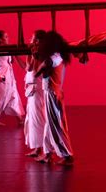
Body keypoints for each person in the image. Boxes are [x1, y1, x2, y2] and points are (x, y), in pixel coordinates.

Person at [34, 30, 74, 165]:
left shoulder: (54, 57)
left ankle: (67, 155)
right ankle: (48, 153)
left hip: (52, 93)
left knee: (56, 125)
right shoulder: (56, 56)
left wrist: (38, 60)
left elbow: (40, 70)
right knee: (49, 125)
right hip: (51, 92)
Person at [0, 30, 25, 126]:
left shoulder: (8, 49)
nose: (8, 38)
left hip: (10, 79)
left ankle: (20, 120)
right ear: (0, 39)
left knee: (14, 98)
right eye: (6, 37)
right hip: (0, 80)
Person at [22, 30, 47, 157]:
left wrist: (32, 54)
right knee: (31, 120)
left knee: (39, 119)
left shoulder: (41, 54)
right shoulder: (35, 53)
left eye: (32, 38)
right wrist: (28, 54)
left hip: (37, 89)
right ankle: (37, 148)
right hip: (32, 90)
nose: (30, 40)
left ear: (37, 40)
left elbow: (34, 69)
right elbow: (28, 67)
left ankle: (44, 148)